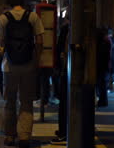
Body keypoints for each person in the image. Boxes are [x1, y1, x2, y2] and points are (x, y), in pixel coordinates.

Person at [0, 0, 44, 148]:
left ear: (9, 2)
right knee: (26, 102)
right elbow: (39, 41)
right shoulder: (33, 17)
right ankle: (24, 137)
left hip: (9, 66)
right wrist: (36, 60)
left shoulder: (3, 18)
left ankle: (10, 136)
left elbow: (1, 42)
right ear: (23, 2)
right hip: (28, 65)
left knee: (9, 101)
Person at [50, 15, 69, 145]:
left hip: (66, 71)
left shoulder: (66, 30)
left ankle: (64, 132)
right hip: (77, 73)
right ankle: (65, 130)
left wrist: (56, 66)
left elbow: (59, 49)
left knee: (64, 104)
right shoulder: (90, 30)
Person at [96, 26, 112, 107]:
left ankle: (101, 100)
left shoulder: (101, 41)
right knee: (102, 83)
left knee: (100, 83)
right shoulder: (107, 41)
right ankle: (103, 101)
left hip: (99, 64)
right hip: (104, 65)